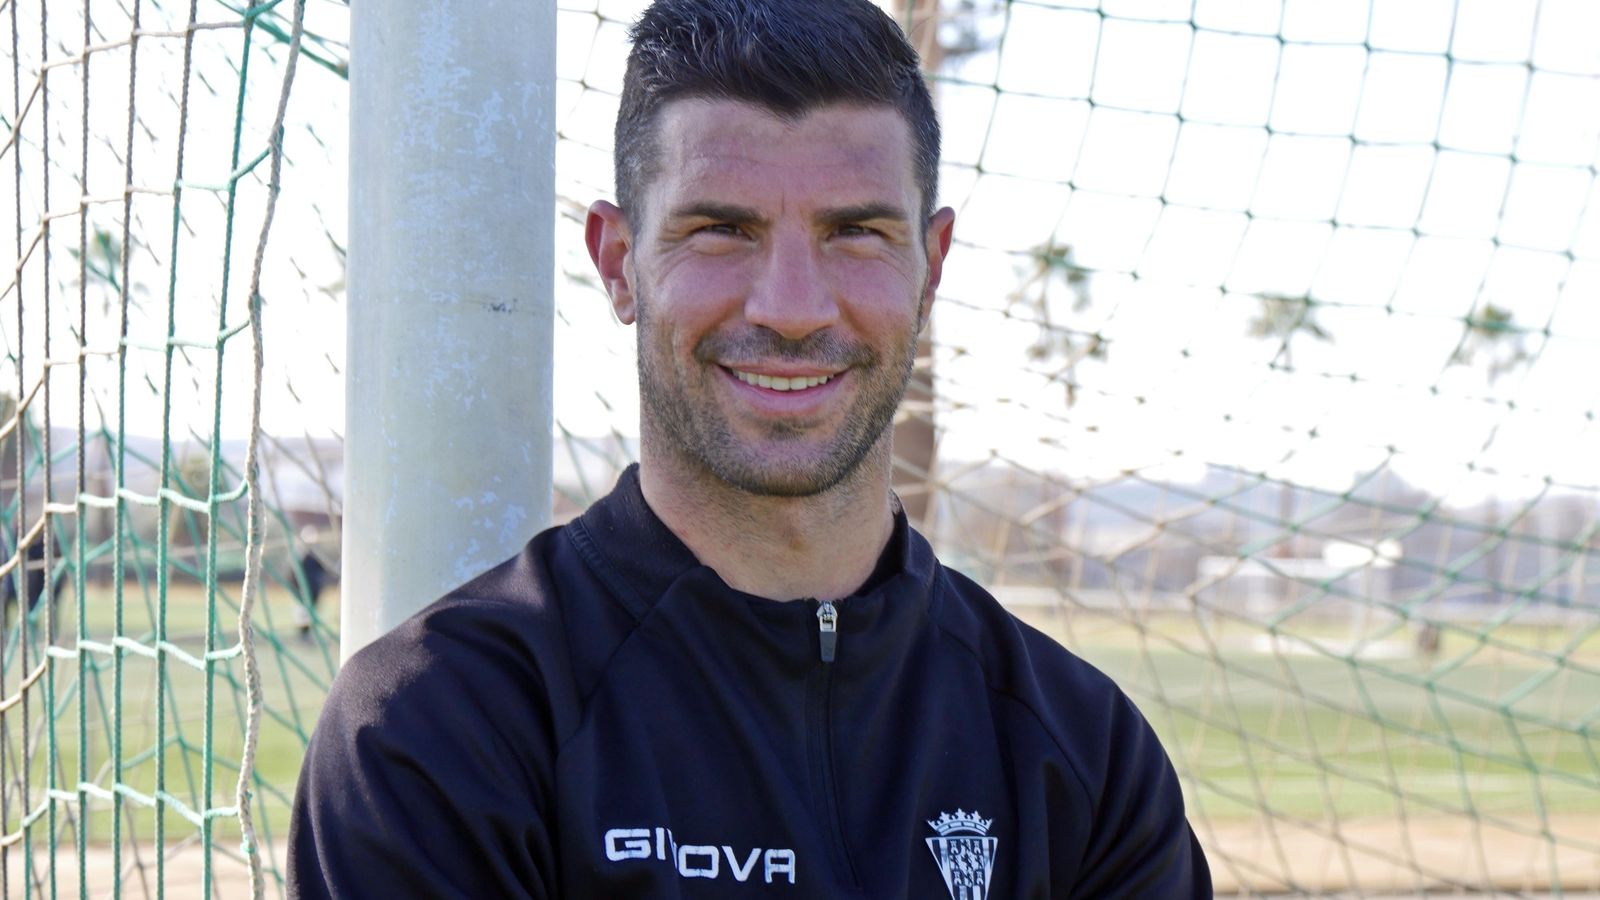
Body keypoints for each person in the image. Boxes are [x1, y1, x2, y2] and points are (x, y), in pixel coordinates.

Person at [288, 0, 1211, 897]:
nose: (792, 305)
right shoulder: (440, 729)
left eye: (856, 231)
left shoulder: (1084, 756)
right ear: (618, 262)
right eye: (722, 229)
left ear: (929, 270)